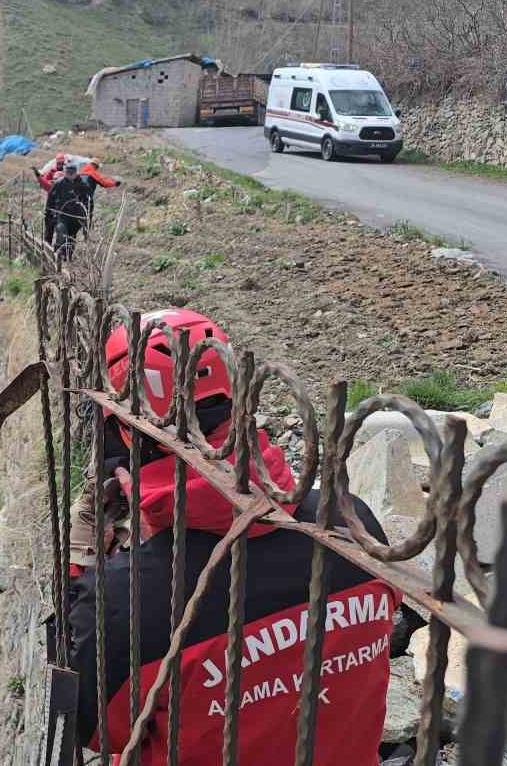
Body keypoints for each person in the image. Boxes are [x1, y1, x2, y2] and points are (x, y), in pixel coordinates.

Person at [68, 309, 400, 766]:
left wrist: (82, 562)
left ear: (128, 430)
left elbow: (92, 729)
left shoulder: (127, 601)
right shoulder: (351, 523)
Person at [43, 160, 91, 260]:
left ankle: (67, 257)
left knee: (71, 238)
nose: (69, 175)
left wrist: (87, 214)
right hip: (62, 215)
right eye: (67, 173)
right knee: (61, 234)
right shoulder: (59, 183)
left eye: (71, 174)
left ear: (76, 173)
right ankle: (57, 256)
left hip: (76, 217)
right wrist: (48, 212)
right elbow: (50, 198)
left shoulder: (82, 185)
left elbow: (88, 201)